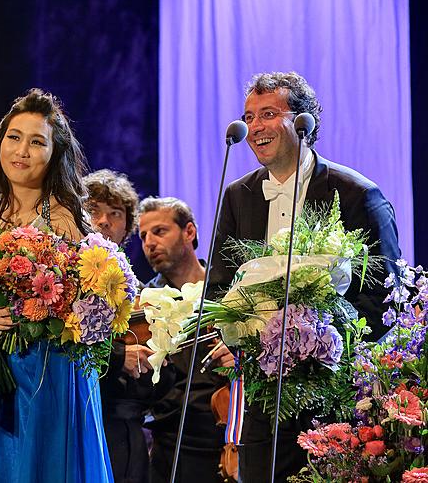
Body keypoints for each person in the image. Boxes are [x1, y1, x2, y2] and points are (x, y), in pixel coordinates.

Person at [208, 71, 401, 482]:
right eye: (249, 116)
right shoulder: (237, 196)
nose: (254, 127)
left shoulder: (355, 194)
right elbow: (220, 286)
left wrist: (321, 346)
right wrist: (236, 335)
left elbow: (385, 295)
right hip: (261, 398)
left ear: (304, 122)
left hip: (335, 393)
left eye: (268, 114)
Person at [0, 88, 113, 482]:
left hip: (52, 370)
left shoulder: (70, 221)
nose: (21, 151)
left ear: (55, 153)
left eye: (37, 142)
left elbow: (90, 305)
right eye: (14, 137)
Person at [138, 197, 233, 482]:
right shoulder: (144, 305)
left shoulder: (229, 290)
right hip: (171, 442)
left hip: (226, 437)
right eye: (143, 236)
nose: (149, 243)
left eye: (159, 231)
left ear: (189, 232)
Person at [84, 169, 157, 483]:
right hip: (77, 418)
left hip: (123, 431)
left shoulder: (139, 294)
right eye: (93, 211)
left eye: (115, 214)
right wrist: (118, 357)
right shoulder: (59, 275)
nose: (103, 221)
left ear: (127, 225)